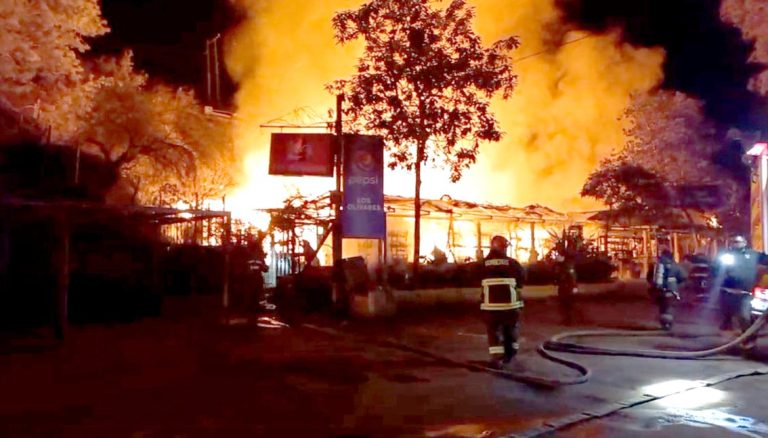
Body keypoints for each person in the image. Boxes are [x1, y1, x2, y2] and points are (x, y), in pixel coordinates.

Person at [713, 235, 768, 353]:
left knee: (745, 316)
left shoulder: (753, 255)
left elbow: (766, 261)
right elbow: (716, 270)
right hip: (728, 292)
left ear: (744, 242)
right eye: (733, 242)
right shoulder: (726, 256)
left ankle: (749, 340)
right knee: (730, 316)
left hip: (746, 293)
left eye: (738, 242)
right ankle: (743, 338)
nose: (736, 244)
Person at [480, 235, 525, 369]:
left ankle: (496, 358)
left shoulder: (483, 264)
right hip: (510, 306)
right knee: (510, 329)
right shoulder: (512, 263)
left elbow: (474, 277)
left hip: (490, 307)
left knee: (493, 332)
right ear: (503, 248)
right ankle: (510, 354)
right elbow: (522, 280)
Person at [647, 248, 685, 330]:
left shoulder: (657, 266)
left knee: (662, 306)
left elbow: (649, 277)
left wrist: (653, 285)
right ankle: (669, 322)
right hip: (672, 289)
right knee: (671, 305)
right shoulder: (675, 266)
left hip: (660, 289)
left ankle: (663, 322)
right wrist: (676, 283)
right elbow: (683, 277)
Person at [556, 255, 579, 325]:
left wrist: (574, 287)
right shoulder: (560, 266)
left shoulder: (568, 267)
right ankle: (566, 320)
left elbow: (572, 278)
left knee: (569, 305)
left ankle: (570, 321)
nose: (557, 258)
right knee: (563, 305)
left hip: (568, 289)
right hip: (563, 289)